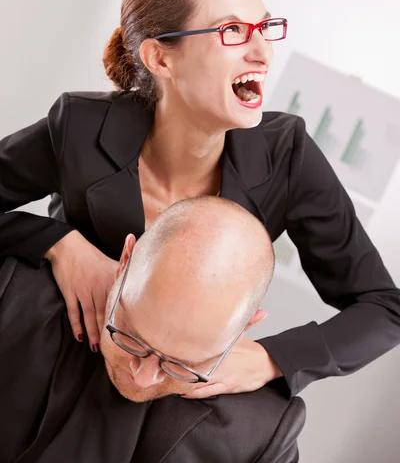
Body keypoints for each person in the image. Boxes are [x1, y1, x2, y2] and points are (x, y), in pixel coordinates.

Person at [0, 0, 399, 401]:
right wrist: (57, 243)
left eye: (264, 28)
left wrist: (272, 359)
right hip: (41, 360)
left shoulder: (287, 153)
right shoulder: (80, 124)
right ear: (161, 59)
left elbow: (384, 309)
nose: (263, 52)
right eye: (232, 31)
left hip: (172, 401)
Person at [0, 197, 306, 463]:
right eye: (130, 336)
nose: (143, 378)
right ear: (124, 262)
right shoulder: (11, 292)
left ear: (245, 328)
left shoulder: (263, 438)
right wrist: (56, 240)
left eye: (182, 363)